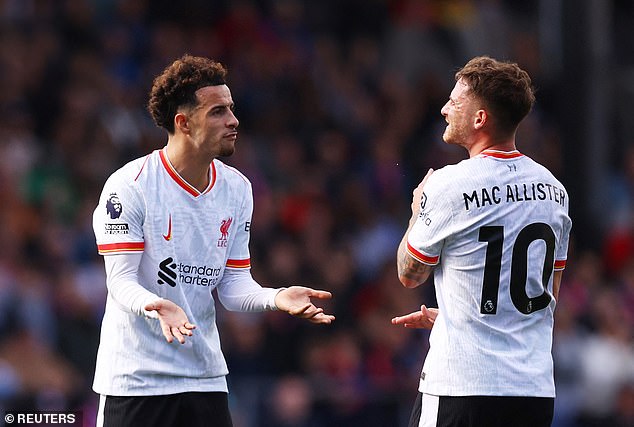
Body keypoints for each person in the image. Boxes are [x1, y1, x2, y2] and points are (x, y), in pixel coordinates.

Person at [92, 54, 335, 427]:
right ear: (183, 123)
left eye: (232, 109)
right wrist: (158, 305)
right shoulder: (130, 186)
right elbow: (120, 281)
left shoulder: (238, 189)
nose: (234, 120)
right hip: (137, 382)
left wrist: (276, 297)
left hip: (205, 379)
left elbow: (233, 286)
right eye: (218, 111)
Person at [392, 56, 572, 427]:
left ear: (479, 119)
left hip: (463, 387)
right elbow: (547, 294)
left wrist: (415, 210)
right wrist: (463, 313)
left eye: (455, 102)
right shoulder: (555, 191)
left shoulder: (449, 184)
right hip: (533, 392)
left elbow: (410, 275)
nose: (443, 109)